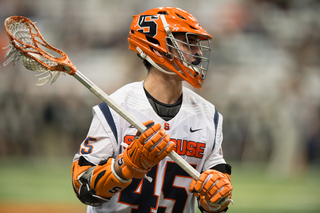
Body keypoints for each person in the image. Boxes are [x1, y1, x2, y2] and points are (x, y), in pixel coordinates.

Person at [71, 7, 233, 213]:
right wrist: (126, 166)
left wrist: (216, 198)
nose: (198, 53)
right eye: (188, 43)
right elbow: (82, 187)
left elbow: (214, 201)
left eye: (198, 44)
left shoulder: (209, 115)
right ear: (157, 48)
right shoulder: (116, 108)